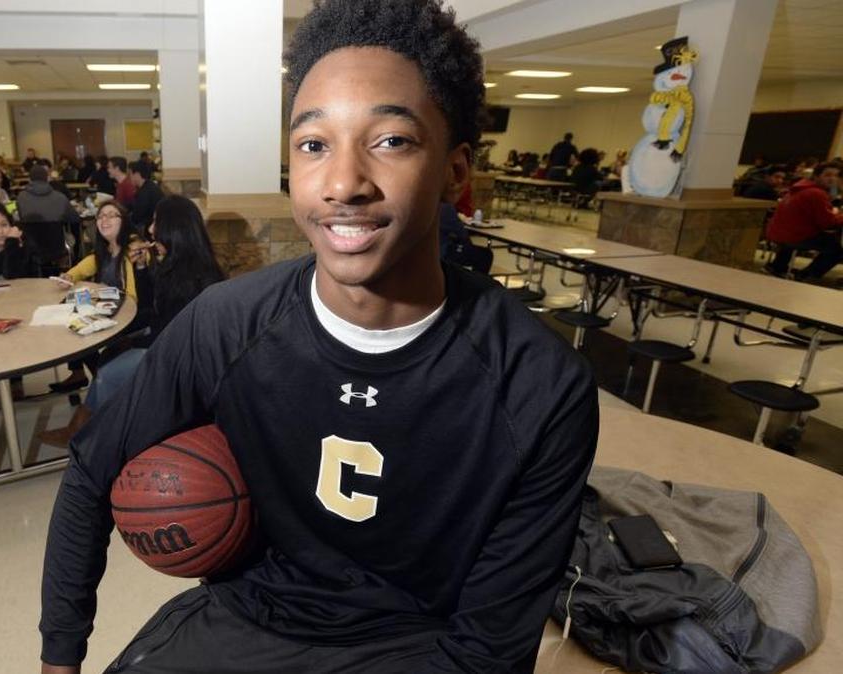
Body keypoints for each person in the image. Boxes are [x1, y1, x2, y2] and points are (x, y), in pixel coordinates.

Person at [38, 2, 598, 673]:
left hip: (413, 644)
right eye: (313, 145)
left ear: (455, 172)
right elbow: (91, 471)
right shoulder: (226, 323)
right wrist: (59, 658)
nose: (342, 184)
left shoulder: (540, 384)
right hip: (246, 617)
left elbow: (488, 651)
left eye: (391, 141)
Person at [37, 194, 223, 446]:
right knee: (108, 356)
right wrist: (143, 269)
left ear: (174, 228)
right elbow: (153, 307)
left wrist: (131, 339)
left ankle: (98, 439)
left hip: (179, 359)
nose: (151, 230)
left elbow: (172, 331)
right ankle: (87, 426)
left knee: (109, 372)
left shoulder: (194, 275)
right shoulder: (173, 263)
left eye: (156, 222)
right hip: (165, 342)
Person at [48, 201, 146, 393]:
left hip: (130, 316)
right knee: (73, 325)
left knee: (80, 330)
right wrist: (69, 276)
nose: (104, 220)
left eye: (111, 215)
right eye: (100, 216)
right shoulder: (104, 251)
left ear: (124, 221)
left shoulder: (134, 248)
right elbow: (82, 268)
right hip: (109, 310)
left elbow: (134, 296)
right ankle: (93, 378)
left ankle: (101, 383)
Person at [764, 161, 843, 280]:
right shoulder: (817, 193)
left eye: (836, 175)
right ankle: (806, 275)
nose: (832, 179)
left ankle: (777, 266)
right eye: (828, 175)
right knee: (836, 249)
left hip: (775, 232)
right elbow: (828, 224)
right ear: (816, 176)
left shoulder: (798, 187)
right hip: (794, 236)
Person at [16, 164, 82, 243]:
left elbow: (21, 217)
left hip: (30, 245)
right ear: (47, 178)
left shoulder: (21, 198)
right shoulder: (60, 198)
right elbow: (74, 218)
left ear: (29, 180)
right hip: (56, 244)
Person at [127, 160, 163, 232]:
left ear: (137, 174)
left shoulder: (145, 191)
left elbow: (137, 217)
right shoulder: (149, 186)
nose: (129, 178)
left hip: (149, 227)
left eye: (130, 174)